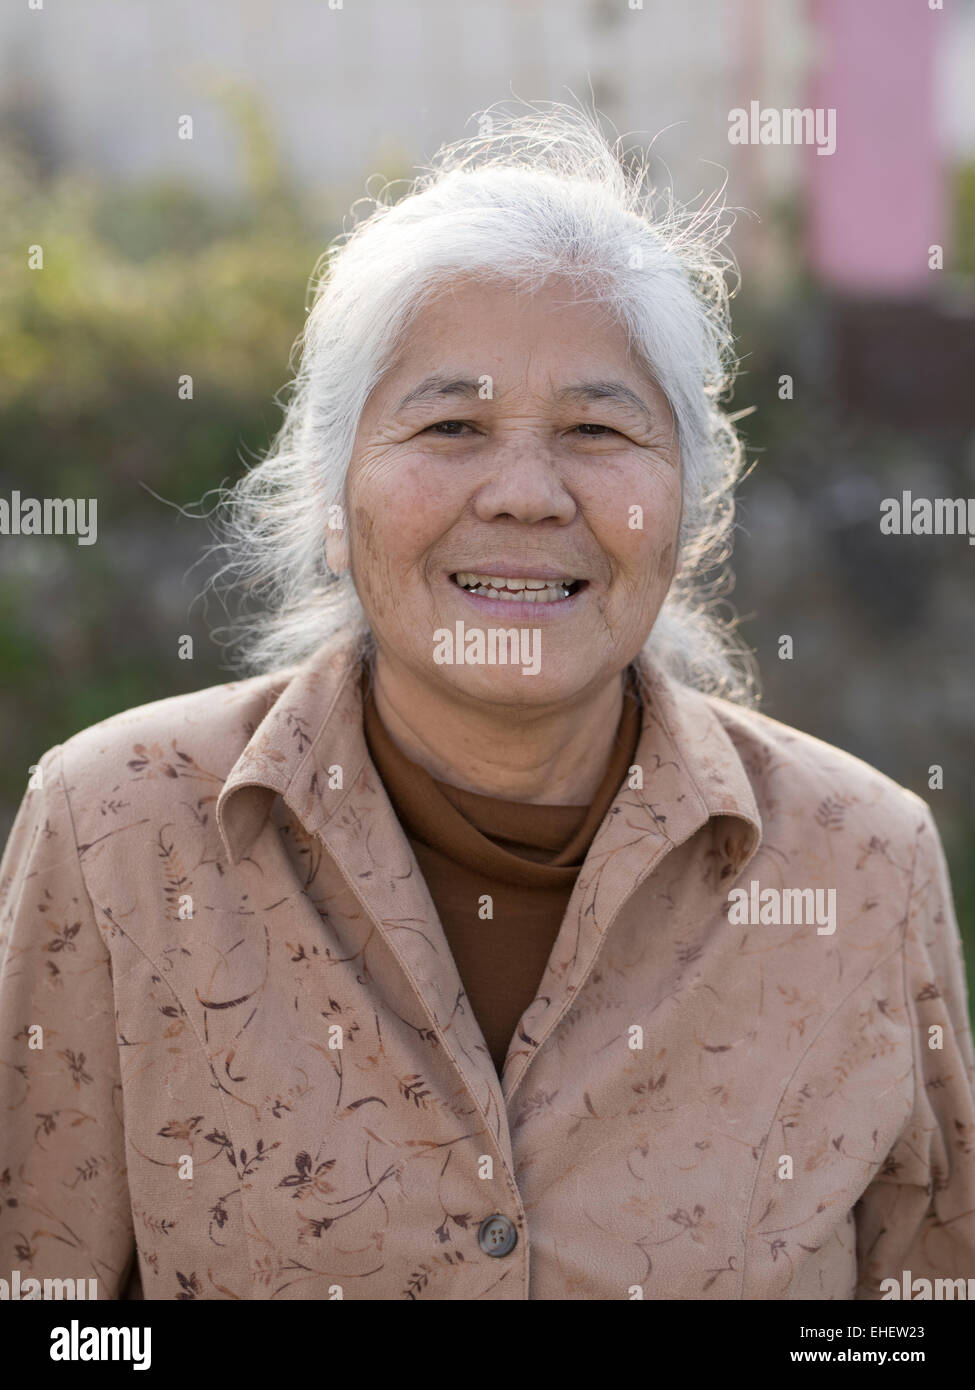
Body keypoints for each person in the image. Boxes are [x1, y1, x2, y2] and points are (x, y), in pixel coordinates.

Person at [2, 103, 973, 1301]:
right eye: (451, 424)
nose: (526, 491)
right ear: (329, 491)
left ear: (692, 504)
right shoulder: (116, 831)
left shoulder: (864, 861)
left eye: (597, 428)